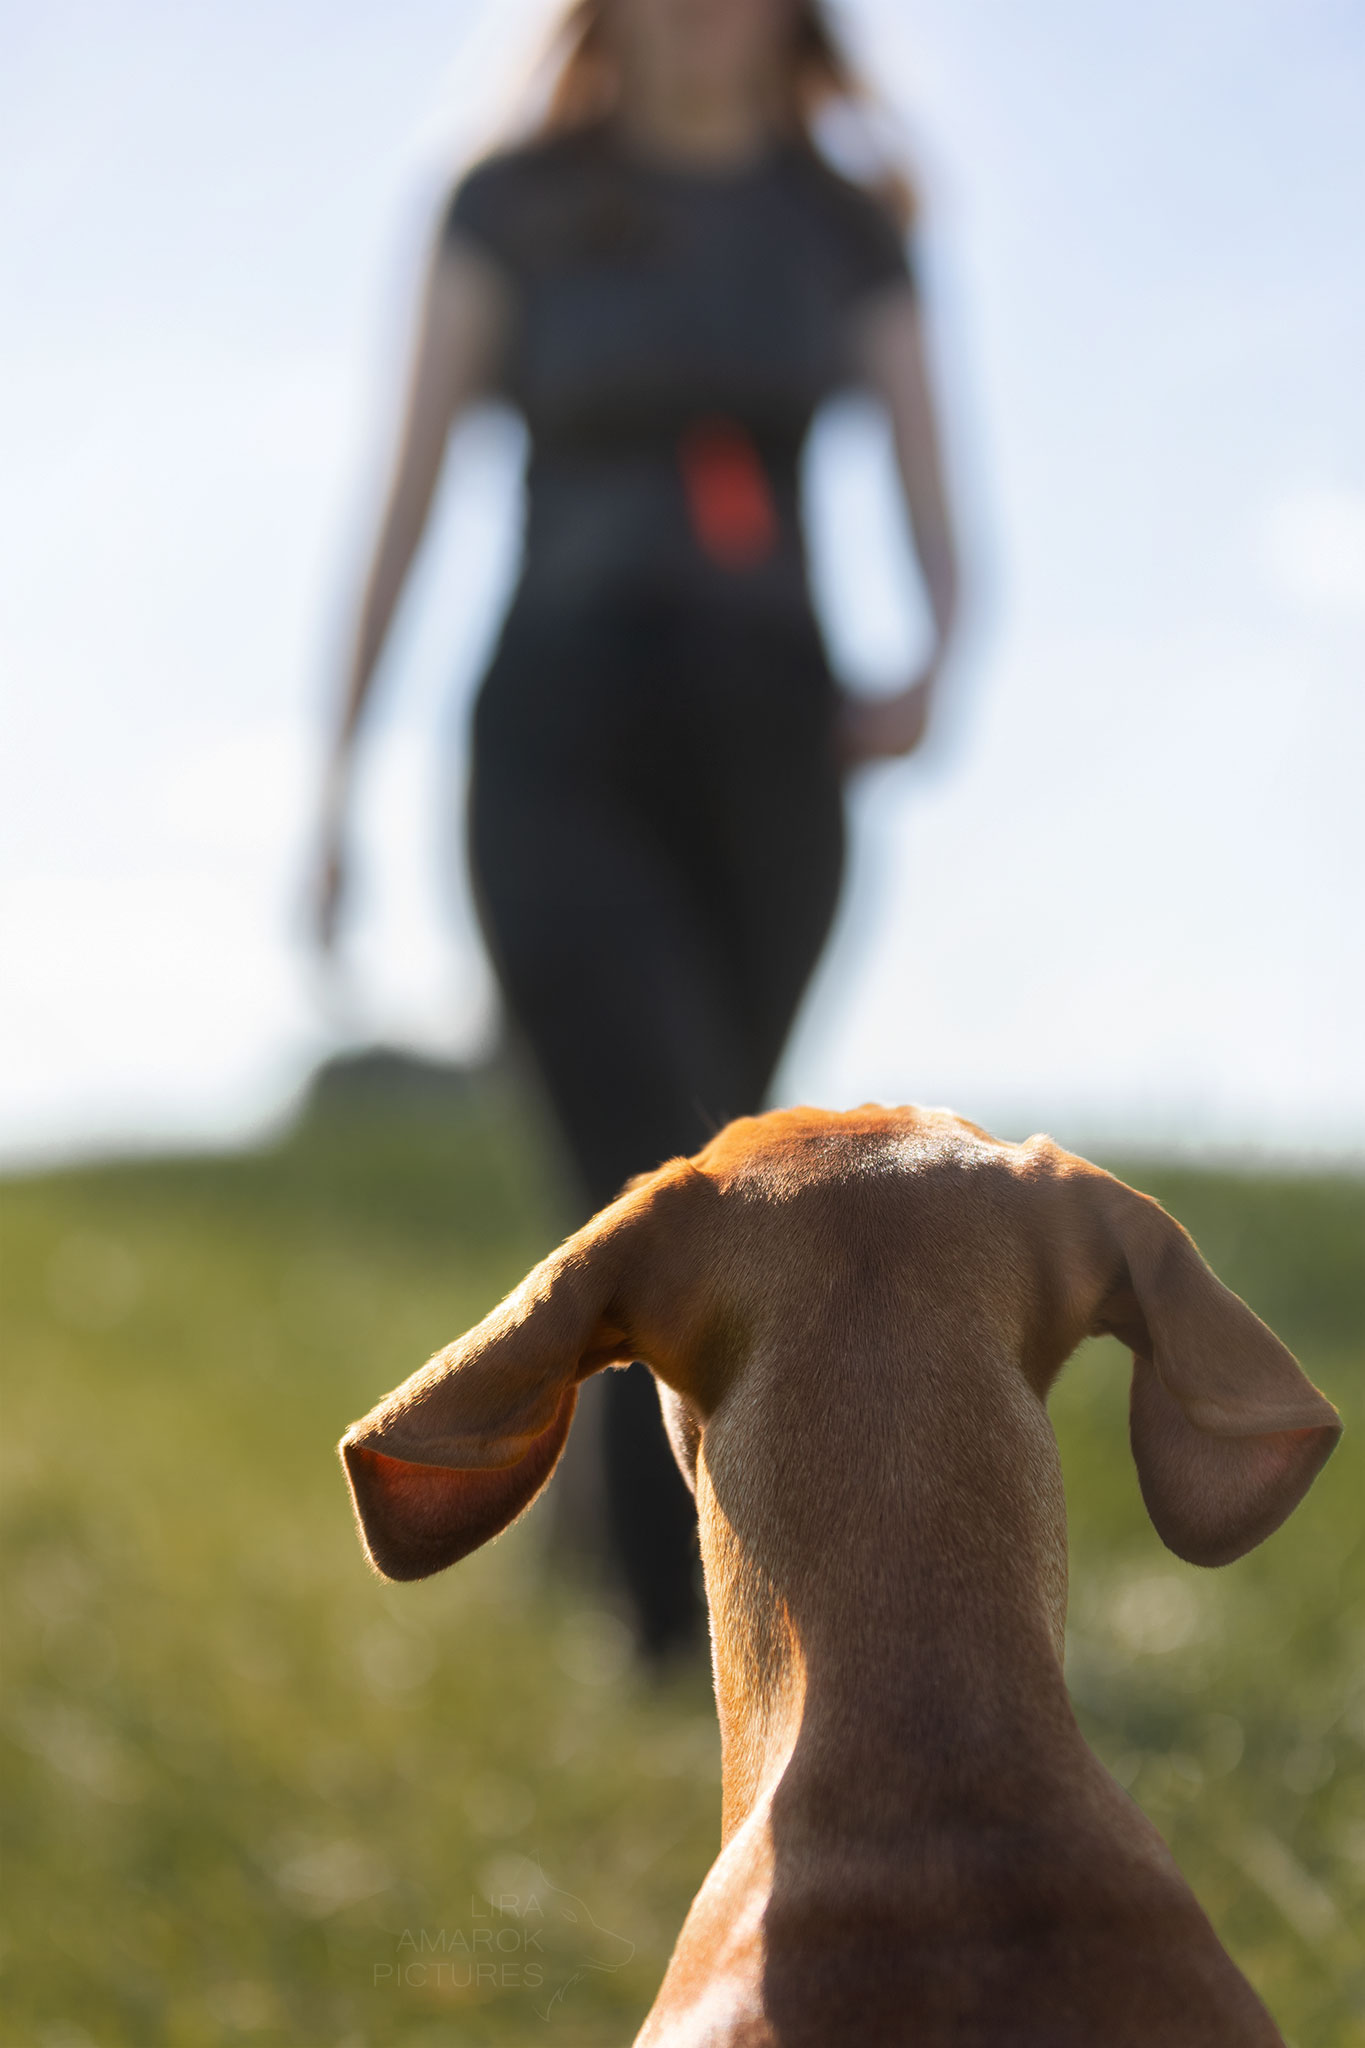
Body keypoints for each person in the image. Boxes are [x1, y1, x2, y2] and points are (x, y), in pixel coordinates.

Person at [315, 0, 961, 1662]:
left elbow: (926, 472)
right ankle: (676, 1639)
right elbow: (399, 488)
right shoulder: (510, 203)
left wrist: (934, 658)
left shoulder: (841, 221)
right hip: (558, 728)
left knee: (719, 1173)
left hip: (765, 748)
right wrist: (332, 775)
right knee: (635, 1152)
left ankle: (631, 1563)